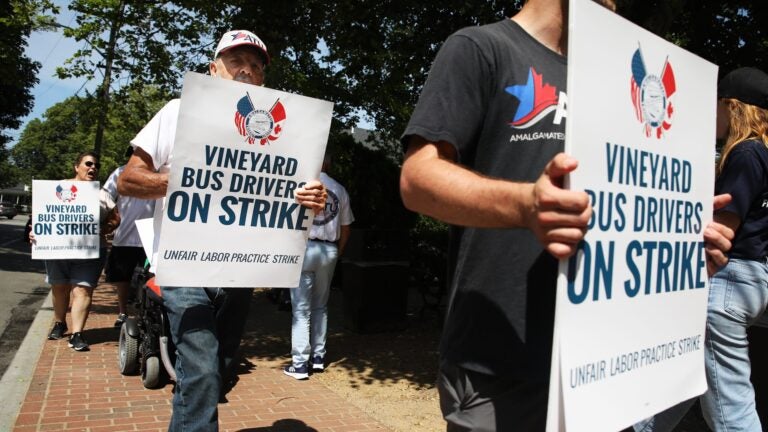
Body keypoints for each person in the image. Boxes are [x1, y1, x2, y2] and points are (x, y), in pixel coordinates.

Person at [398, 1, 735, 430]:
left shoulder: (608, 79)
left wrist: (679, 243)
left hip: (601, 364)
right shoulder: (481, 47)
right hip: (502, 362)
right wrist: (526, 205)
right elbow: (418, 178)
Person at [117, 29, 327, 431]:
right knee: (200, 367)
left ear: (262, 79)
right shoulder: (178, 111)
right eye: (236, 62)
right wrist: (179, 181)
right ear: (213, 69)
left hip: (241, 268)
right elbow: (129, 180)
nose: (247, 71)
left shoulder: (283, 135)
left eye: (256, 66)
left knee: (219, 370)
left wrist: (309, 198)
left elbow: (285, 195)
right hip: (184, 267)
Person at [635, 67, 768, 432]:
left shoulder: (746, 154)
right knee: (686, 376)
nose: (713, 115)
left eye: (717, 106)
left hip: (728, 283)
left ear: (733, 107)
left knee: (732, 413)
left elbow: (722, 230)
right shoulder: (764, 154)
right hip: (754, 279)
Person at [283, 153, 354, 380]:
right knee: (321, 306)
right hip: (328, 250)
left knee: (301, 309)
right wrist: (337, 253)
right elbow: (346, 228)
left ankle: (300, 363)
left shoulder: (300, 187)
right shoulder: (340, 190)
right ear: (329, 163)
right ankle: (318, 357)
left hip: (304, 249)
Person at [36, 152, 111, 351]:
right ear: (76, 167)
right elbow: (42, 216)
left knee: (83, 289)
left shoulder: (102, 193)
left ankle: (77, 334)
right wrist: (35, 233)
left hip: (90, 252)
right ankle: (60, 323)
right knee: (59, 287)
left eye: (96, 165)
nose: (93, 168)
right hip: (58, 249)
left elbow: (115, 218)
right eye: (88, 164)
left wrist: (104, 229)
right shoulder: (57, 188)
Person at [101, 146, 156, 327]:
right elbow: (105, 196)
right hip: (125, 235)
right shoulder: (121, 172)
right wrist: (108, 216)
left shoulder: (160, 173)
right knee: (122, 278)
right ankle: (122, 312)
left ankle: (147, 314)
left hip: (152, 238)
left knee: (151, 278)